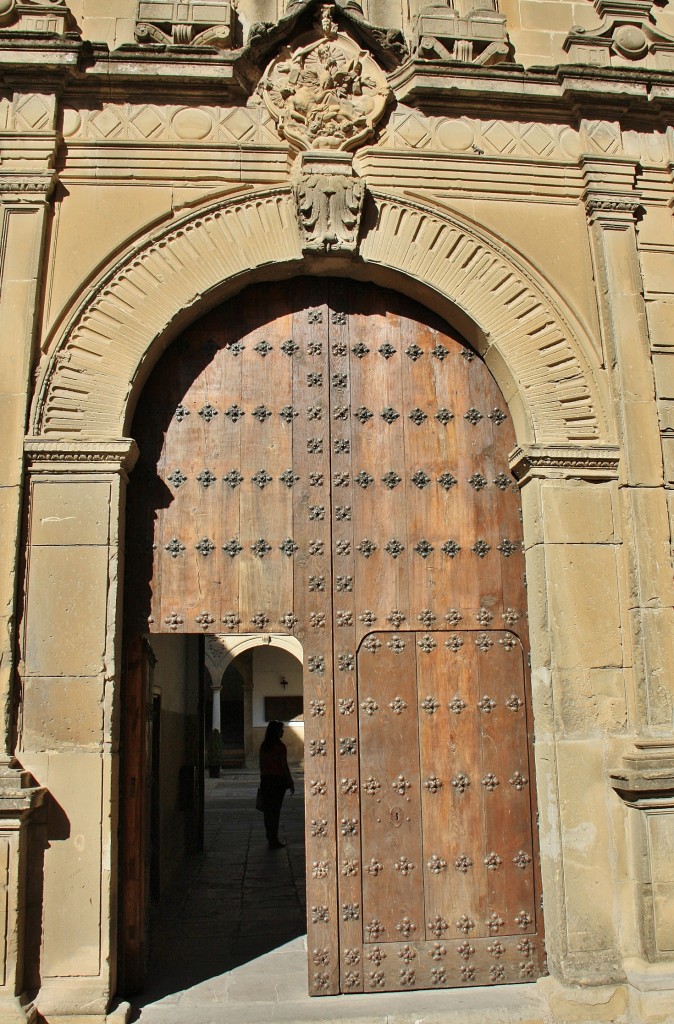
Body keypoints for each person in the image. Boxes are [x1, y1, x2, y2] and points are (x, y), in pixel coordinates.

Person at [259, 720, 294, 849]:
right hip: (278, 781)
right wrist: (290, 782)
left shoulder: (264, 746)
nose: (283, 731)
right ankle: (274, 838)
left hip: (266, 780)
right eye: (281, 729)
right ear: (276, 731)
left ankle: (270, 836)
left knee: (268, 811)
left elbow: (262, 765)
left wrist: (263, 779)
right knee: (275, 810)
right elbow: (284, 766)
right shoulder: (280, 747)